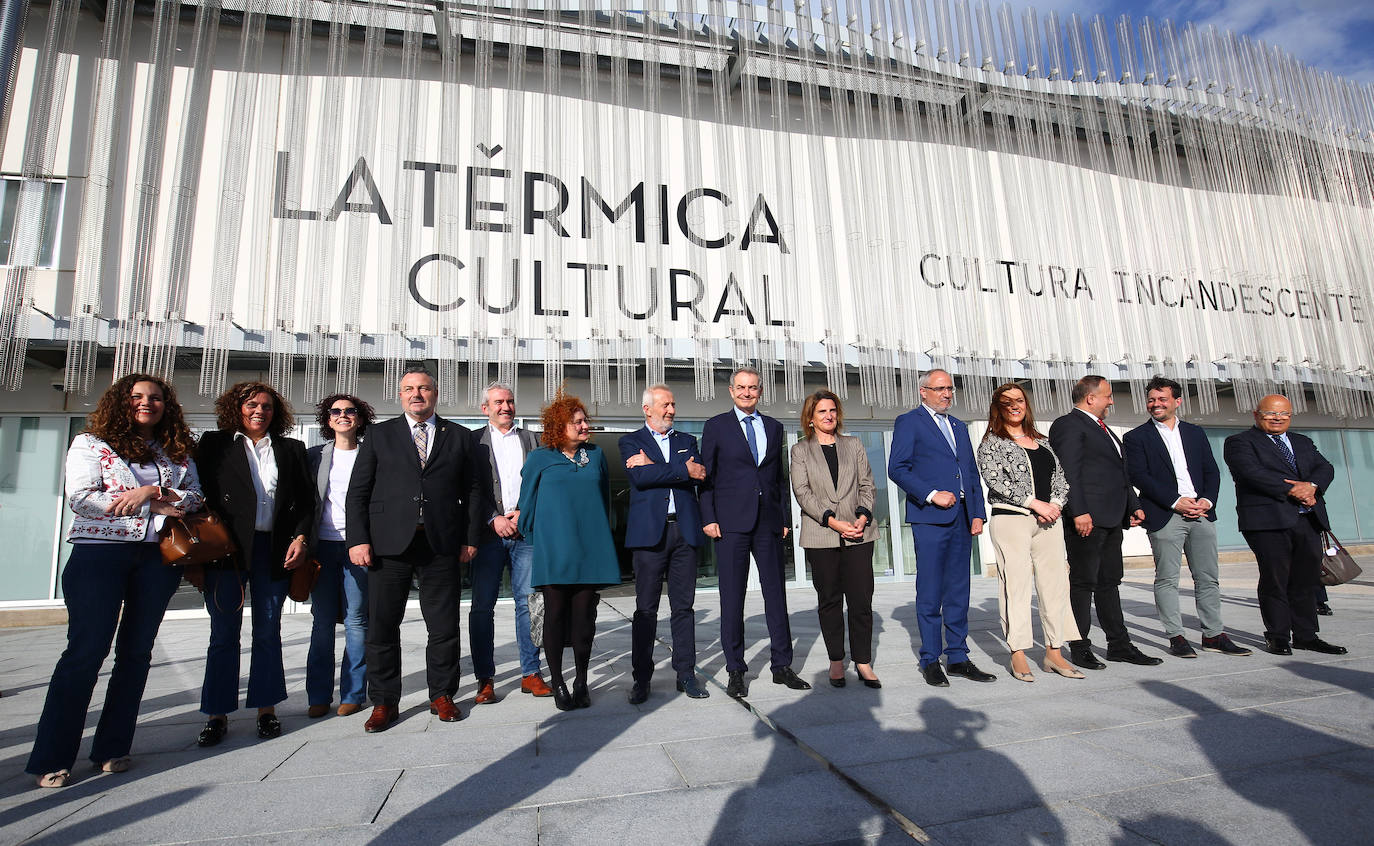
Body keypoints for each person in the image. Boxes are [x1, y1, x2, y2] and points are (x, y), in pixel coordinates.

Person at [27, 374, 203, 788]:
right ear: (120, 401)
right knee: (85, 653)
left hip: (157, 559)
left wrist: (152, 491)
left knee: (136, 653)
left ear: (166, 406)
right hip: (99, 555)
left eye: (156, 398)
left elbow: (195, 496)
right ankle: (53, 756)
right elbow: (82, 499)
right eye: (137, 396)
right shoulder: (91, 444)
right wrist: (151, 503)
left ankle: (112, 747)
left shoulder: (174, 451)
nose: (147, 403)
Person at [346, 366, 482, 732]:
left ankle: (442, 694)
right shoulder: (379, 435)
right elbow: (358, 492)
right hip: (388, 545)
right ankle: (384, 701)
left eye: (423, 388)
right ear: (400, 395)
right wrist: (357, 539)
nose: (416, 394)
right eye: (409, 389)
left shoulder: (460, 436)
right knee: (382, 626)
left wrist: (470, 538)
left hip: (440, 543)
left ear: (435, 394)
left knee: (444, 625)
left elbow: (473, 491)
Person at [195, 381, 314, 746]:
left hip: (273, 549)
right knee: (223, 633)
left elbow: (306, 502)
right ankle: (217, 714)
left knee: (267, 630)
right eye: (251, 405)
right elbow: (199, 495)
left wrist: (300, 538)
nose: (259, 411)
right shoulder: (214, 444)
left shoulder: (291, 449)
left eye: (266, 406)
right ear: (237, 408)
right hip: (227, 551)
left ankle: (266, 709)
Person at [700, 367, 810, 698]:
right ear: (731, 391)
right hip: (730, 524)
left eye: (752, 388)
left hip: (768, 523)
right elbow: (707, 478)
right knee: (732, 598)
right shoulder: (716, 426)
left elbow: (778, 477)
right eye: (741, 387)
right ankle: (736, 669)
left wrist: (784, 517)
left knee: (775, 595)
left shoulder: (774, 427)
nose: (747, 393)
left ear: (760, 391)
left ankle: (782, 666)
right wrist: (709, 517)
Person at [1122, 376, 1251, 659]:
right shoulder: (1136, 437)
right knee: (1167, 578)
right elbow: (1138, 475)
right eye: (1151, 399)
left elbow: (1211, 471)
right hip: (1165, 514)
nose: (1155, 404)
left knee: (1208, 578)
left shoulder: (1195, 433)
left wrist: (1207, 500)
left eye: (1162, 399)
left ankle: (1213, 634)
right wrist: (1175, 501)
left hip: (1201, 513)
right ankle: (1176, 636)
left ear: (1177, 401)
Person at [888, 369, 993, 687]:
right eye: (940, 389)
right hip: (930, 518)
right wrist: (932, 494)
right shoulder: (910, 422)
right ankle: (931, 659)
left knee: (959, 591)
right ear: (923, 391)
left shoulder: (959, 426)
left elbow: (970, 472)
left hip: (962, 518)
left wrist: (977, 512)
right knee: (931, 592)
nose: (947, 394)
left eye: (950, 388)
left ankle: (958, 657)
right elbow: (897, 468)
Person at [1048, 375, 1161, 669]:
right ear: (1091, 398)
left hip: (1111, 518)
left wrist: (1133, 505)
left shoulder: (1103, 428)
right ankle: (1079, 646)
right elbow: (1068, 472)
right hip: (1087, 519)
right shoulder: (1068, 425)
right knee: (1083, 582)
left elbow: (1120, 472)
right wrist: (1079, 511)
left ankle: (1119, 645)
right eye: (1108, 396)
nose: (1111, 401)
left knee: (1109, 582)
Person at [516, 392, 621, 710]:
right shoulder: (539, 458)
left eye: (585, 420)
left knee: (584, 618)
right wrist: (538, 539)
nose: (585, 425)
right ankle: (559, 682)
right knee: (555, 615)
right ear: (558, 426)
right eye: (577, 422)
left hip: (590, 547)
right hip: (554, 549)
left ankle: (581, 682)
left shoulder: (596, 455)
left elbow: (604, 498)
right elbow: (526, 503)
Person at [975, 383, 1083, 682]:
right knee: (1016, 586)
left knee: (1056, 585)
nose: (1014, 406)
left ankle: (1054, 652)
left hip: (1049, 521)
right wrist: (1035, 503)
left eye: (1019, 400)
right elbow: (996, 481)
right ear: (998, 407)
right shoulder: (991, 443)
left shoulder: (1043, 442)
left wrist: (1056, 505)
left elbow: (1060, 478)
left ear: (1026, 404)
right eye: (1007, 402)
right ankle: (1018, 653)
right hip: (1012, 520)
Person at [1223, 394, 1346, 656]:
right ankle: (1277, 636)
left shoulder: (1302, 441)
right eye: (1271, 413)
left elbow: (1325, 467)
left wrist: (1312, 486)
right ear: (1256, 415)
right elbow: (1251, 473)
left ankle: (1306, 635)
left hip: (1307, 518)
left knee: (1306, 579)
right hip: (1268, 522)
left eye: (1284, 414)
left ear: (1290, 416)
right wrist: (1294, 490)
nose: (1277, 418)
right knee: (1275, 578)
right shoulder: (1239, 442)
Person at [621, 385, 709, 704]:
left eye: (673, 404)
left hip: (684, 532)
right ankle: (642, 679)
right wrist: (681, 470)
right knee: (646, 609)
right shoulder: (630, 441)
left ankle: (686, 674)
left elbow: (700, 474)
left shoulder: (687, 441)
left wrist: (654, 466)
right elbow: (640, 479)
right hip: (649, 536)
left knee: (683, 607)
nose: (671, 410)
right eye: (665, 405)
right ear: (647, 409)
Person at [790, 389, 882, 689]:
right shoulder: (800, 451)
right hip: (822, 535)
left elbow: (867, 484)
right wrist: (832, 521)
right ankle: (836, 661)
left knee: (861, 600)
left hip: (859, 533)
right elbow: (802, 492)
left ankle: (863, 661)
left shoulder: (853, 444)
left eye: (832, 410)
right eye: (822, 412)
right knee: (829, 600)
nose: (828, 416)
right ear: (810, 418)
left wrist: (862, 517)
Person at [469, 382, 551, 703]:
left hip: (525, 533)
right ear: (485, 408)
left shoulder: (533, 440)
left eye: (510, 401)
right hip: (487, 535)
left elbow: (543, 483)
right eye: (498, 402)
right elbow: (469, 487)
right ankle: (485, 679)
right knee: (482, 607)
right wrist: (494, 518)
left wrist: (522, 514)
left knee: (530, 603)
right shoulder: (472, 442)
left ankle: (531, 673)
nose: (506, 407)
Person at [305, 394, 376, 720]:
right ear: (327, 418)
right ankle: (318, 695)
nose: (343, 415)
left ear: (360, 418)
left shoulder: (370, 455)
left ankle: (353, 693)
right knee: (322, 621)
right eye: (336, 411)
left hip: (358, 547)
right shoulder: (314, 456)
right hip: (322, 547)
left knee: (356, 620)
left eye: (350, 411)